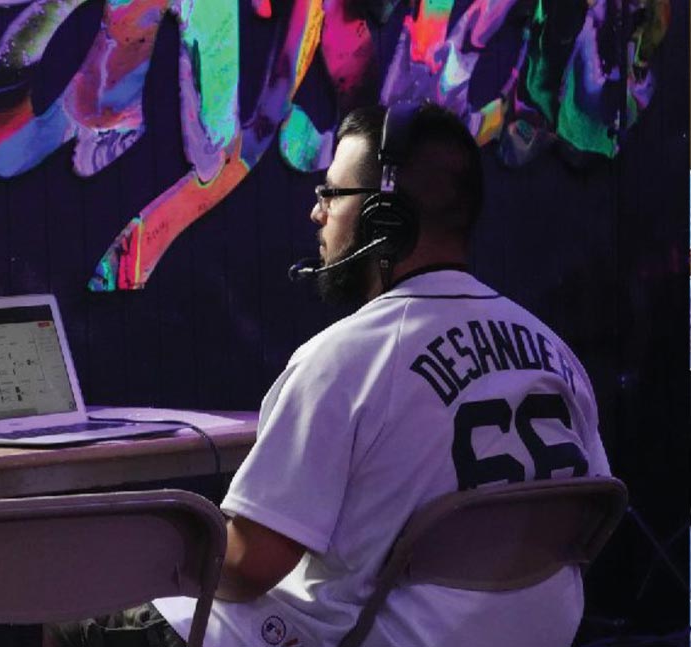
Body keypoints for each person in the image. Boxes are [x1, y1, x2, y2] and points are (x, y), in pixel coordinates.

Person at [47, 103, 610, 647]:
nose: (316, 212)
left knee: (76, 620)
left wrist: (140, 559)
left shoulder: (344, 361)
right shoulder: (556, 357)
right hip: (536, 634)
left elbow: (245, 569)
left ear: (383, 219)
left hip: (376, 637)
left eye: (332, 194)